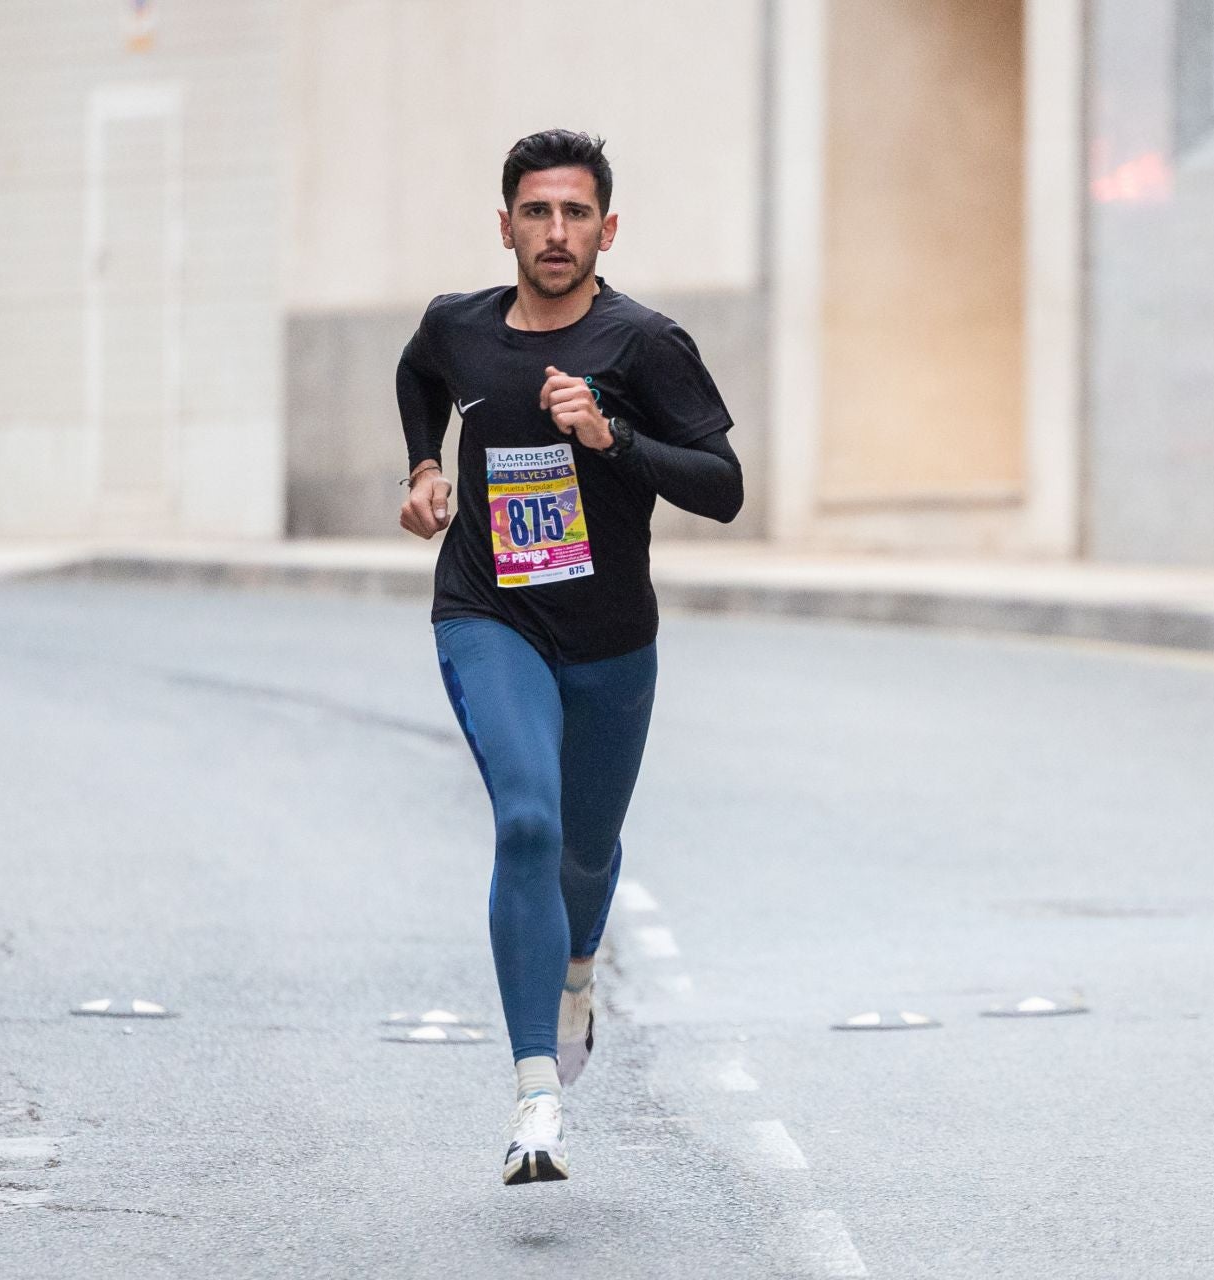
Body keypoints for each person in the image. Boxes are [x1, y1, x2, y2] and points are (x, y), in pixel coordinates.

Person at [395, 129, 743, 1183]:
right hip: (488, 612)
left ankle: (578, 970)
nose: (555, 233)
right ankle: (535, 1089)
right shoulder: (457, 328)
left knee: (587, 852)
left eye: (575, 213)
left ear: (607, 228)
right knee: (530, 819)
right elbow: (419, 376)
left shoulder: (644, 346)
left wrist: (612, 440)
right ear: (505, 225)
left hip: (608, 641)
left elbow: (723, 486)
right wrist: (421, 465)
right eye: (536, 213)